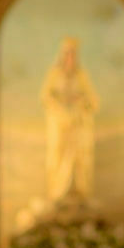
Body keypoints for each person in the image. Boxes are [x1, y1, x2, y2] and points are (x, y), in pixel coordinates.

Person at [40, 37, 99, 203]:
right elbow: (46, 97)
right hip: (59, 126)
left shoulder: (81, 76)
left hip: (77, 126)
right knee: (58, 157)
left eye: (73, 54)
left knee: (80, 159)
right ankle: (57, 193)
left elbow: (93, 101)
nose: (70, 58)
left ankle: (80, 192)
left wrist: (80, 101)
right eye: (67, 54)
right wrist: (61, 105)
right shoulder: (54, 75)